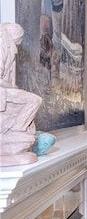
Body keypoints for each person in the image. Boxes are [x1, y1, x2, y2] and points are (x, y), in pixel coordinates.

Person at [0, 23, 43, 166]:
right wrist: (12, 88)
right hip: (3, 92)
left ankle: (16, 130)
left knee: (34, 101)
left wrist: (13, 87)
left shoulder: (7, 48)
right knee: (34, 100)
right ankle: (17, 129)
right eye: (18, 39)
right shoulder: (2, 47)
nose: (18, 44)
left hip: (6, 90)